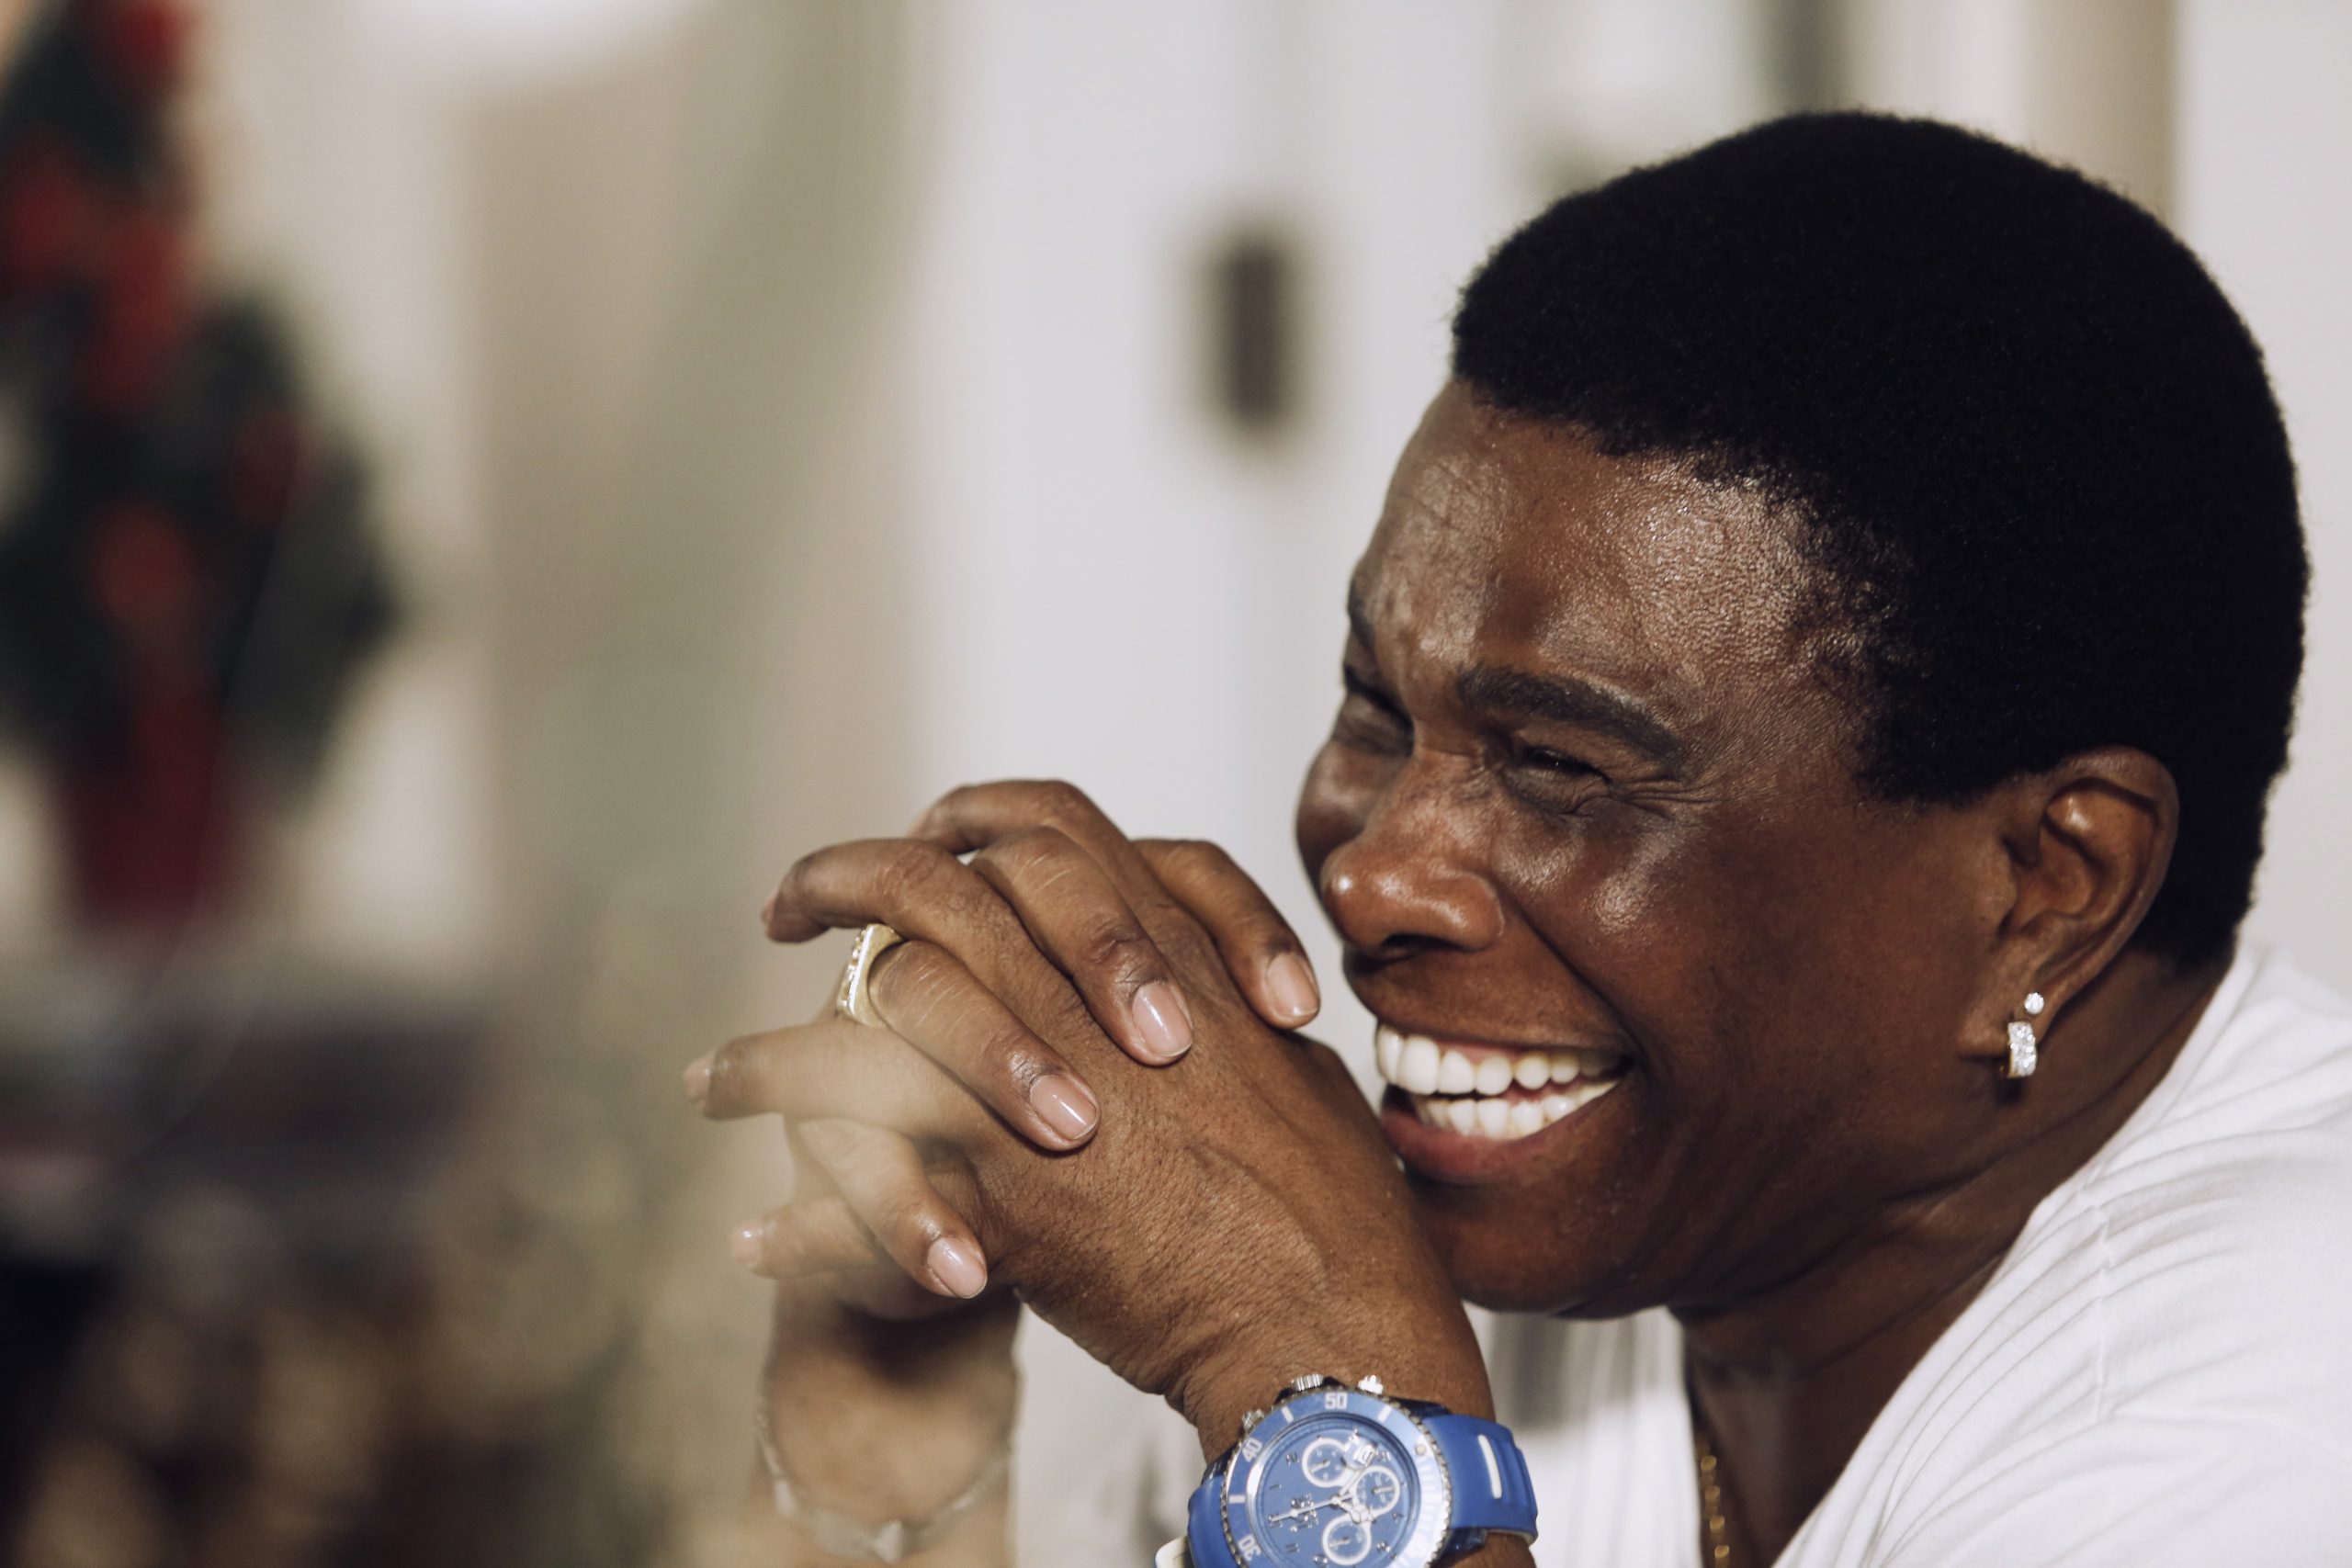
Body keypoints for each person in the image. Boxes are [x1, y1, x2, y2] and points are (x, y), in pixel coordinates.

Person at [684, 112, 2352, 1566]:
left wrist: (1318, 1386)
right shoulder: (1561, 1225)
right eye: (1375, 705)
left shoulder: (2265, 1425)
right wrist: (888, 1395)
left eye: (1557, 764)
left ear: (2045, 892)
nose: (1369, 874)